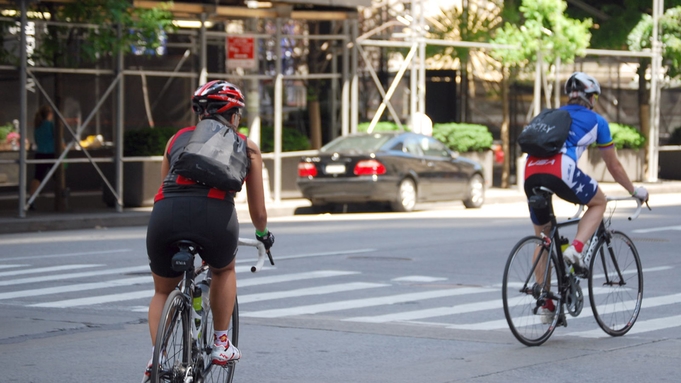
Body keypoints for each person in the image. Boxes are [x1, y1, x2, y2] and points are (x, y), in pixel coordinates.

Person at [142, 80, 275, 382]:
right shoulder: (246, 145)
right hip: (214, 216)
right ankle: (221, 344)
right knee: (223, 270)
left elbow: (165, 187)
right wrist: (262, 233)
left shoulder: (176, 139)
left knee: (163, 290)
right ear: (233, 115)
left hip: (165, 215)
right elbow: (258, 212)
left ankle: (157, 358)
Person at [523, 72, 649, 321]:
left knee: (543, 237)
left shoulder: (551, 115)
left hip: (530, 172)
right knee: (598, 202)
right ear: (592, 98)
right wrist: (634, 191)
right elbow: (614, 167)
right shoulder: (596, 121)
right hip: (560, 169)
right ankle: (575, 250)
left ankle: (547, 304)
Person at [28, 105, 56, 209]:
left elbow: (36, 140)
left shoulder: (37, 126)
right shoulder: (51, 125)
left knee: (37, 177)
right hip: (51, 153)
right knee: (58, 176)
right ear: (49, 114)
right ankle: (61, 198)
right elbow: (57, 140)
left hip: (39, 154)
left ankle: (31, 199)